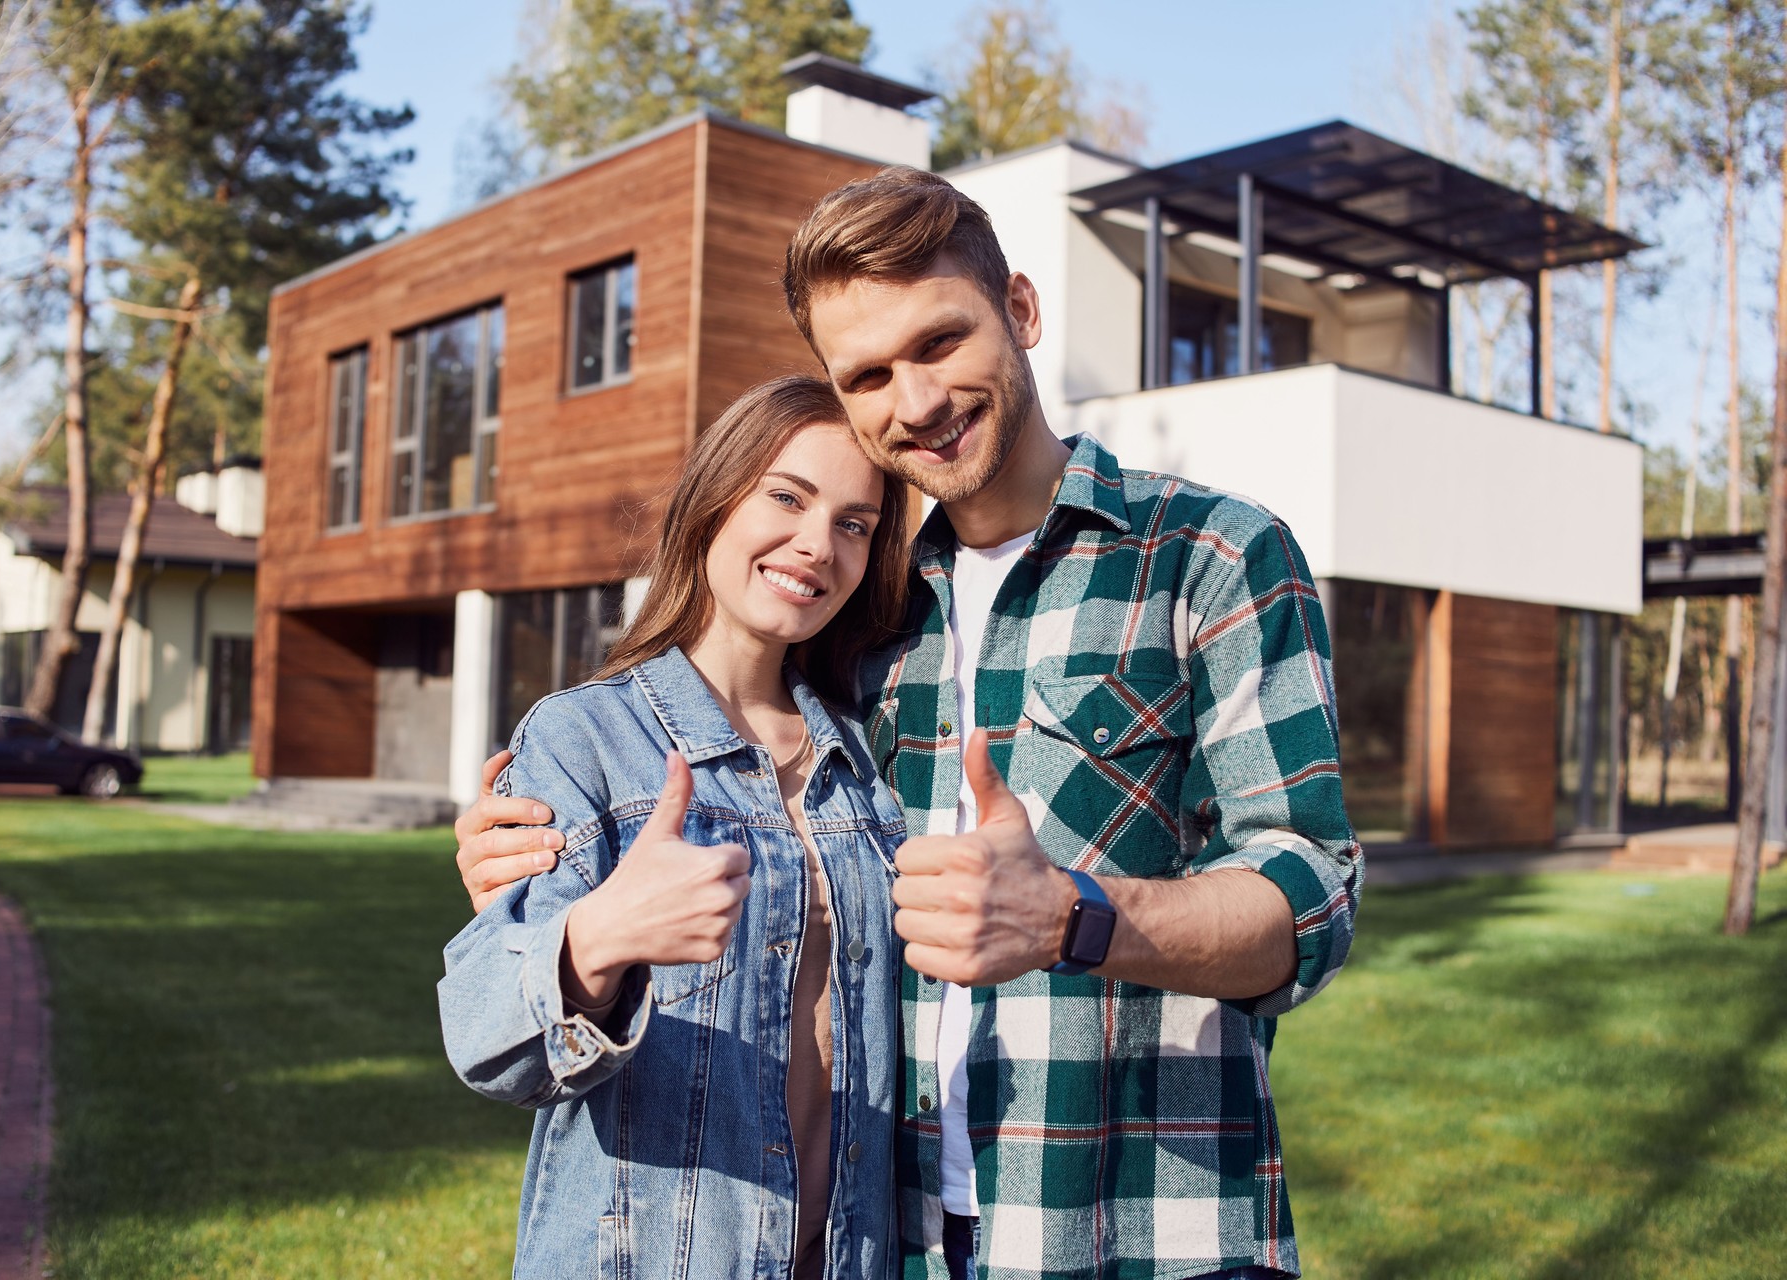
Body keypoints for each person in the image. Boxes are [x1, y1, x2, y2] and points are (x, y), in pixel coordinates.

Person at [459, 168, 1363, 1280]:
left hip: (1144, 1232)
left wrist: (1075, 916)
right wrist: (545, 863)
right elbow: (732, 784)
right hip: (905, 1239)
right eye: (870, 375)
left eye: (940, 341)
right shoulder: (865, 621)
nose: (918, 399)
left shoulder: (1211, 556)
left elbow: (1311, 893)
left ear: (1020, 310)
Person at [438, 375, 914, 1280]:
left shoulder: (870, 758)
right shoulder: (586, 740)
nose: (818, 544)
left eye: (854, 524)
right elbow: (491, 1044)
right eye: (787, 497)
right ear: (714, 499)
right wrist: (598, 938)